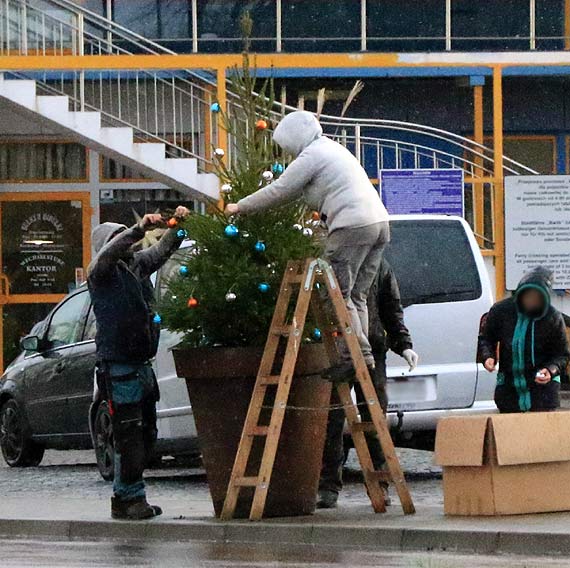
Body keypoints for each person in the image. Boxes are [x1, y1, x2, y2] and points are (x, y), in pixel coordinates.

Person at [225, 110, 390, 381]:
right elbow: (297, 193)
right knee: (357, 295)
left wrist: (240, 206)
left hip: (351, 226)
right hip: (379, 224)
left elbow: (280, 190)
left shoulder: (312, 155)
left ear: (294, 138)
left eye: (286, 145)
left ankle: (352, 358)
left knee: (335, 293)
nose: (287, 153)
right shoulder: (332, 150)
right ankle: (364, 357)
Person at [87, 206, 190, 520]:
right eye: (119, 238)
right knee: (129, 435)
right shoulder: (100, 272)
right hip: (119, 366)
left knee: (145, 435)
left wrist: (178, 226)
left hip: (140, 364)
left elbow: (161, 251)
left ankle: (129, 495)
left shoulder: (134, 265)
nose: (127, 243)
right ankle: (129, 498)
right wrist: (137, 228)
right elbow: (110, 253)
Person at [318, 258, 418, 509]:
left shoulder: (379, 266)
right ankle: (327, 486)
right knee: (331, 422)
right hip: (335, 353)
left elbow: (391, 309)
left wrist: (404, 345)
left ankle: (380, 484)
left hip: (371, 352)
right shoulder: (331, 263)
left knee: (373, 421)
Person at [478, 266, 570, 414]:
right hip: (509, 393)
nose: (532, 301)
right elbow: (486, 338)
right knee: (510, 435)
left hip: (543, 396)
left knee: (541, 435)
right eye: (528, 296)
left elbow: (562, 354)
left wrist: (550, 370)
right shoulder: (501, 311)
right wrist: (488, 356)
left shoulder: (552, 317)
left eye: (537, 297)